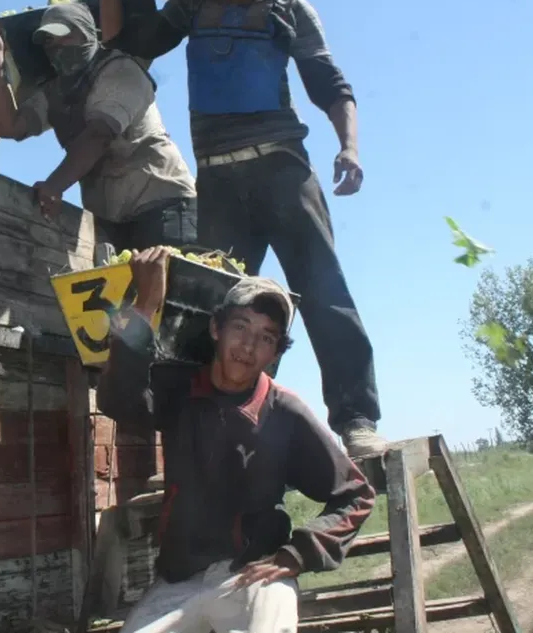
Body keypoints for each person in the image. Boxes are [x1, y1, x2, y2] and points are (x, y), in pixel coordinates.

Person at [94, 0, 384, 458]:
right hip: (219, 181)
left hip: (283, 169)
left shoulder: (291, 11)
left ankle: (356, 418)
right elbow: (123, 39)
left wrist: (349, 147)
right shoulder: (192, 8)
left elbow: (331, 85)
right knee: (216, 306)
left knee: (323, 291)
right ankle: (216, 421)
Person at [97, 247, 376, 633]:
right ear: (216, 328)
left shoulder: (285, 412)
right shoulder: (179, 391)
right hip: (179, 581)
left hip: (253, 576)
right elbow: (117, 401)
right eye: (240, 326)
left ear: (276, 352)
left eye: (266, 337)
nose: (247, 347)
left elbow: (356, 494)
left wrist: (298, 553)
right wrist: (145, 305)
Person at [0, 1, 197, 251]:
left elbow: (99, 135)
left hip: (162, 204)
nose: (56, 48)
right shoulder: (57, 91)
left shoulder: (120, 70)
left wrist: (53, 186)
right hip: (109, 218)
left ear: (85, 33)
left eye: (64, 37)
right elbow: (9, 127)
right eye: (49, 43)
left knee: (170, 287)